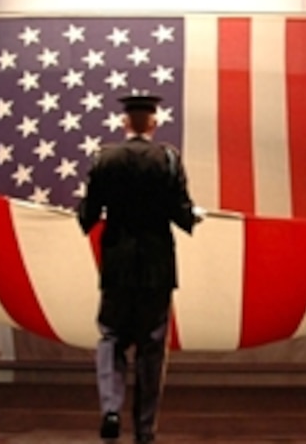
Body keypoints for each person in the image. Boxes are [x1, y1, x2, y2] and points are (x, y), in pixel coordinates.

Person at [77, 93, 201, 444]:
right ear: (154, 123)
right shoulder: (169, 160)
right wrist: (193, 217)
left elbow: (87, 215)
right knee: (152, 347)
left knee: (111, 338)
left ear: (125, 123)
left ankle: (110, 408)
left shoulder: (104, 159)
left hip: (116, 263)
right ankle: (145, 429)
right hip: (157, 265)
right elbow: (182, 213)